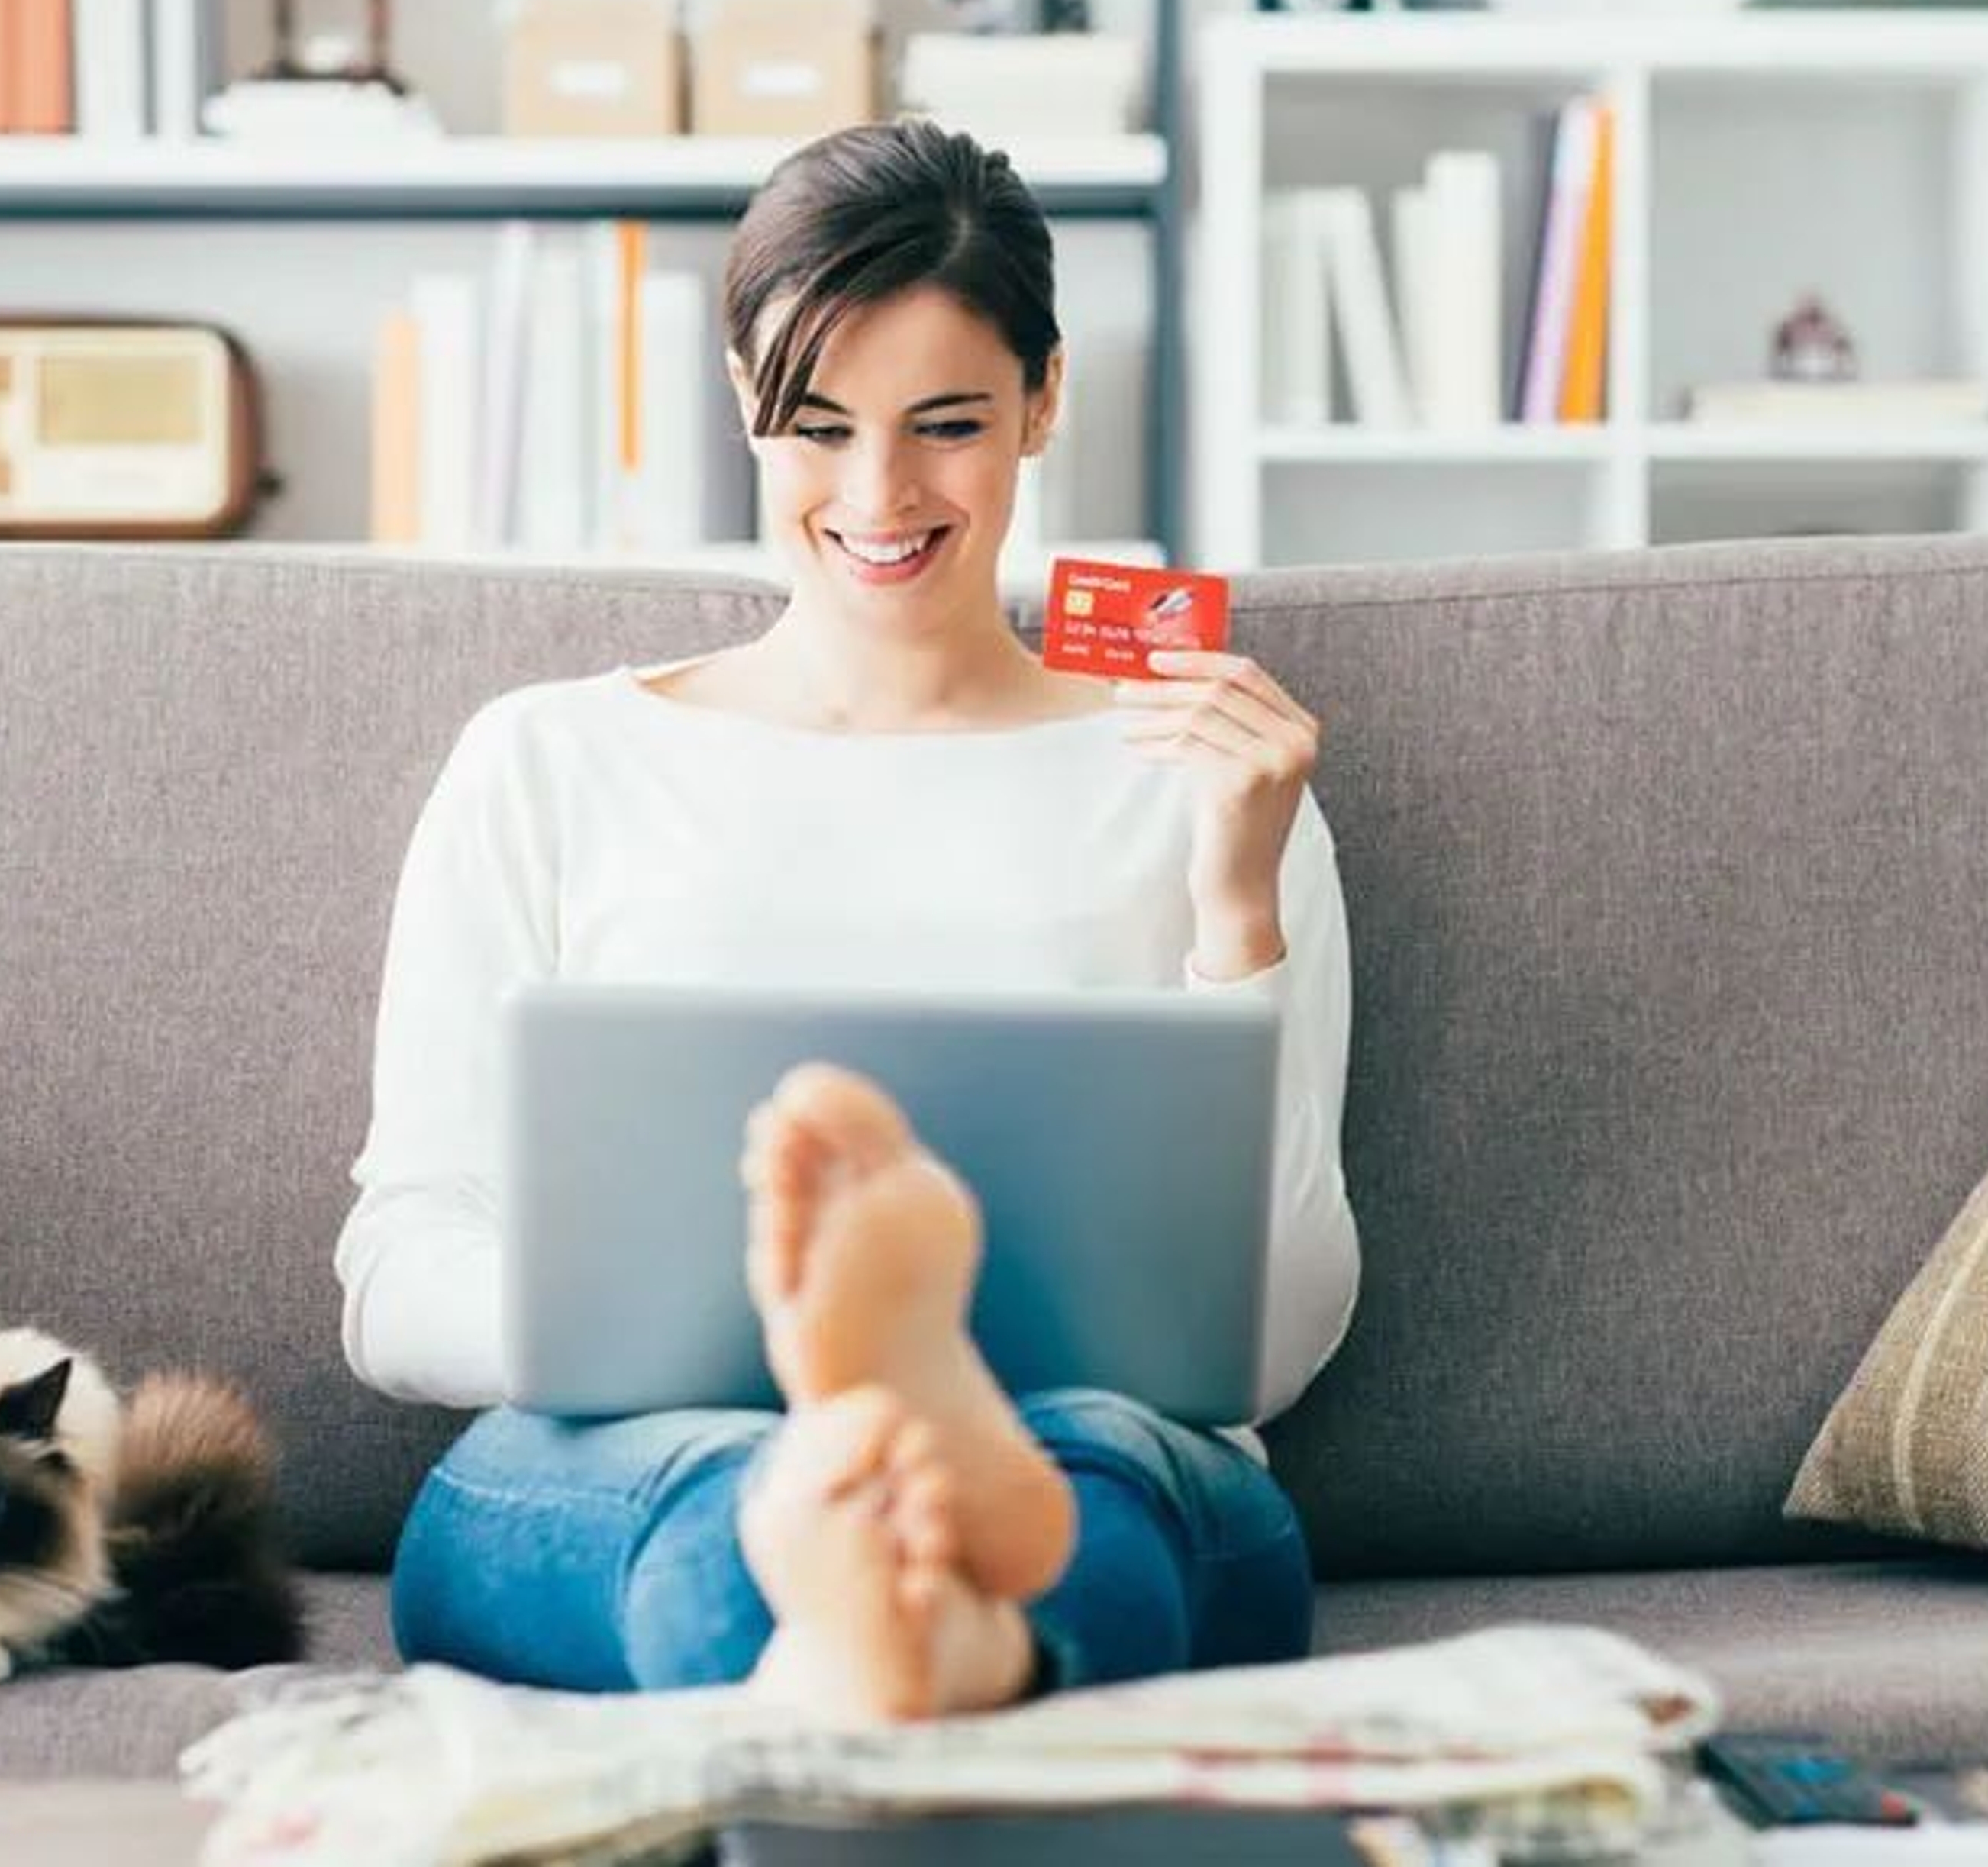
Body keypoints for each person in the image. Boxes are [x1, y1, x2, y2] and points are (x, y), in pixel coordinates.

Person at [337, 117, 1358, 1722]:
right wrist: (770, 1336)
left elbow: (1280, 1336)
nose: (879, 495)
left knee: (1087, 1485)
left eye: (944, 423)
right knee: (728, 1500)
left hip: (1081, 1440)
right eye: (816, 427)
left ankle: (866, 1622)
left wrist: (1236, 901)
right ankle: (951, 1642)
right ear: (744, 402)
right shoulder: (550, 760)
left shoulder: (1205, 773)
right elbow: (396, 1275)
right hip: (663, 1443)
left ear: (1043, 399)